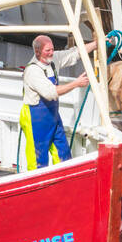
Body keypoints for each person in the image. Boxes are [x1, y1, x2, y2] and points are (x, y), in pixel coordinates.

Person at [19, 33, 97, 170]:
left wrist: (97, 43)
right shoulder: (33, 71)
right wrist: (76, 83)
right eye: (47, 50)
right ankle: (39, 188)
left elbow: (74, 54)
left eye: (52, 49)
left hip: (52, 116)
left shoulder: (53, 60)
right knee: (38, 161)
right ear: (37, 52)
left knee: (63, 155)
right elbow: (51, 93)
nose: (51, 53)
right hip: (34, 118)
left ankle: (65, 181)